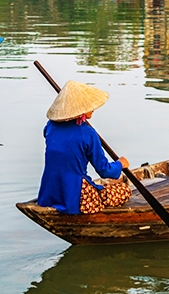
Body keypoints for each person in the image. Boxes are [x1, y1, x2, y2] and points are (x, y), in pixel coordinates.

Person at [37, 81, 131, 215]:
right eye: (88, 106)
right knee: (124, 190)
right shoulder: (88, 134)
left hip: (49, 193)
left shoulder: (50, 127)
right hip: (76, 197)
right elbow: (104, 170)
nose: (93, 108)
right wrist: (120, 164)